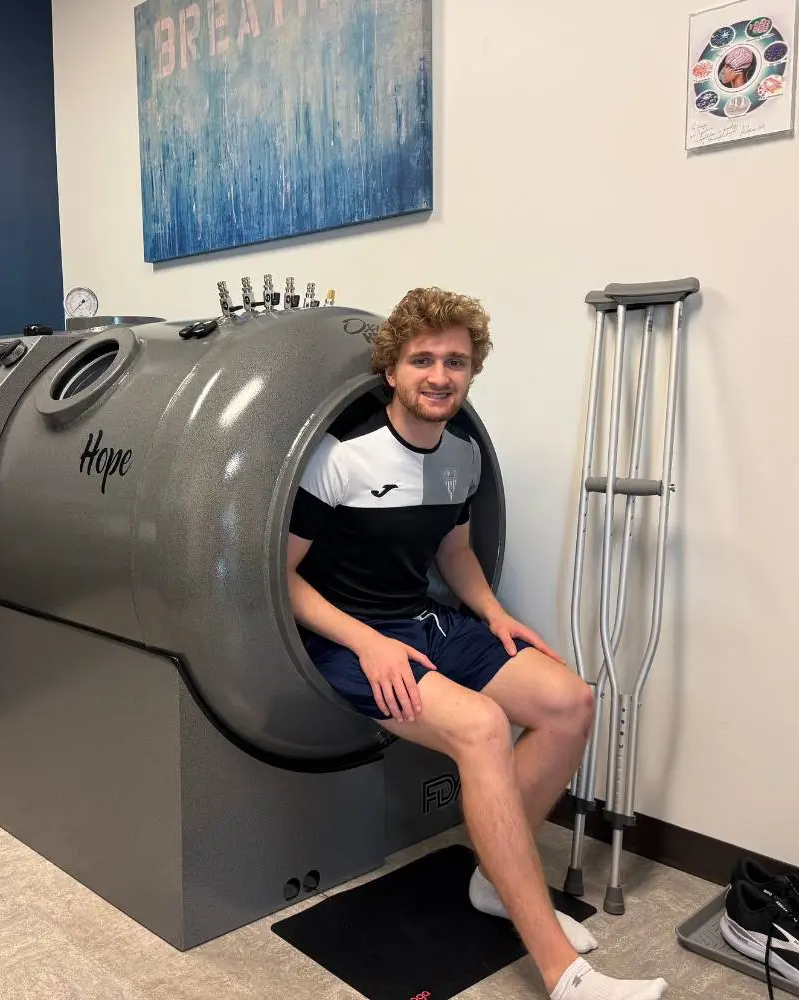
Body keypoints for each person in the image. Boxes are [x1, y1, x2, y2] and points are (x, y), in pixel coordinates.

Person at [287, 287, 668, 1000]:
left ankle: (496, 882)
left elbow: (454, 551)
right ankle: (563, 973)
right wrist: (366, 642)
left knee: (569, 701)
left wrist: (494, 614)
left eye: (456, 361)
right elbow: (280, 580)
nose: (440, 375)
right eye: (423, 359)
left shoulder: (460, 453)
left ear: (472, 370)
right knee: (484, 727)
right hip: (345, 640)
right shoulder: (342, 458)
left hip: (420, 621)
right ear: (392, 370)